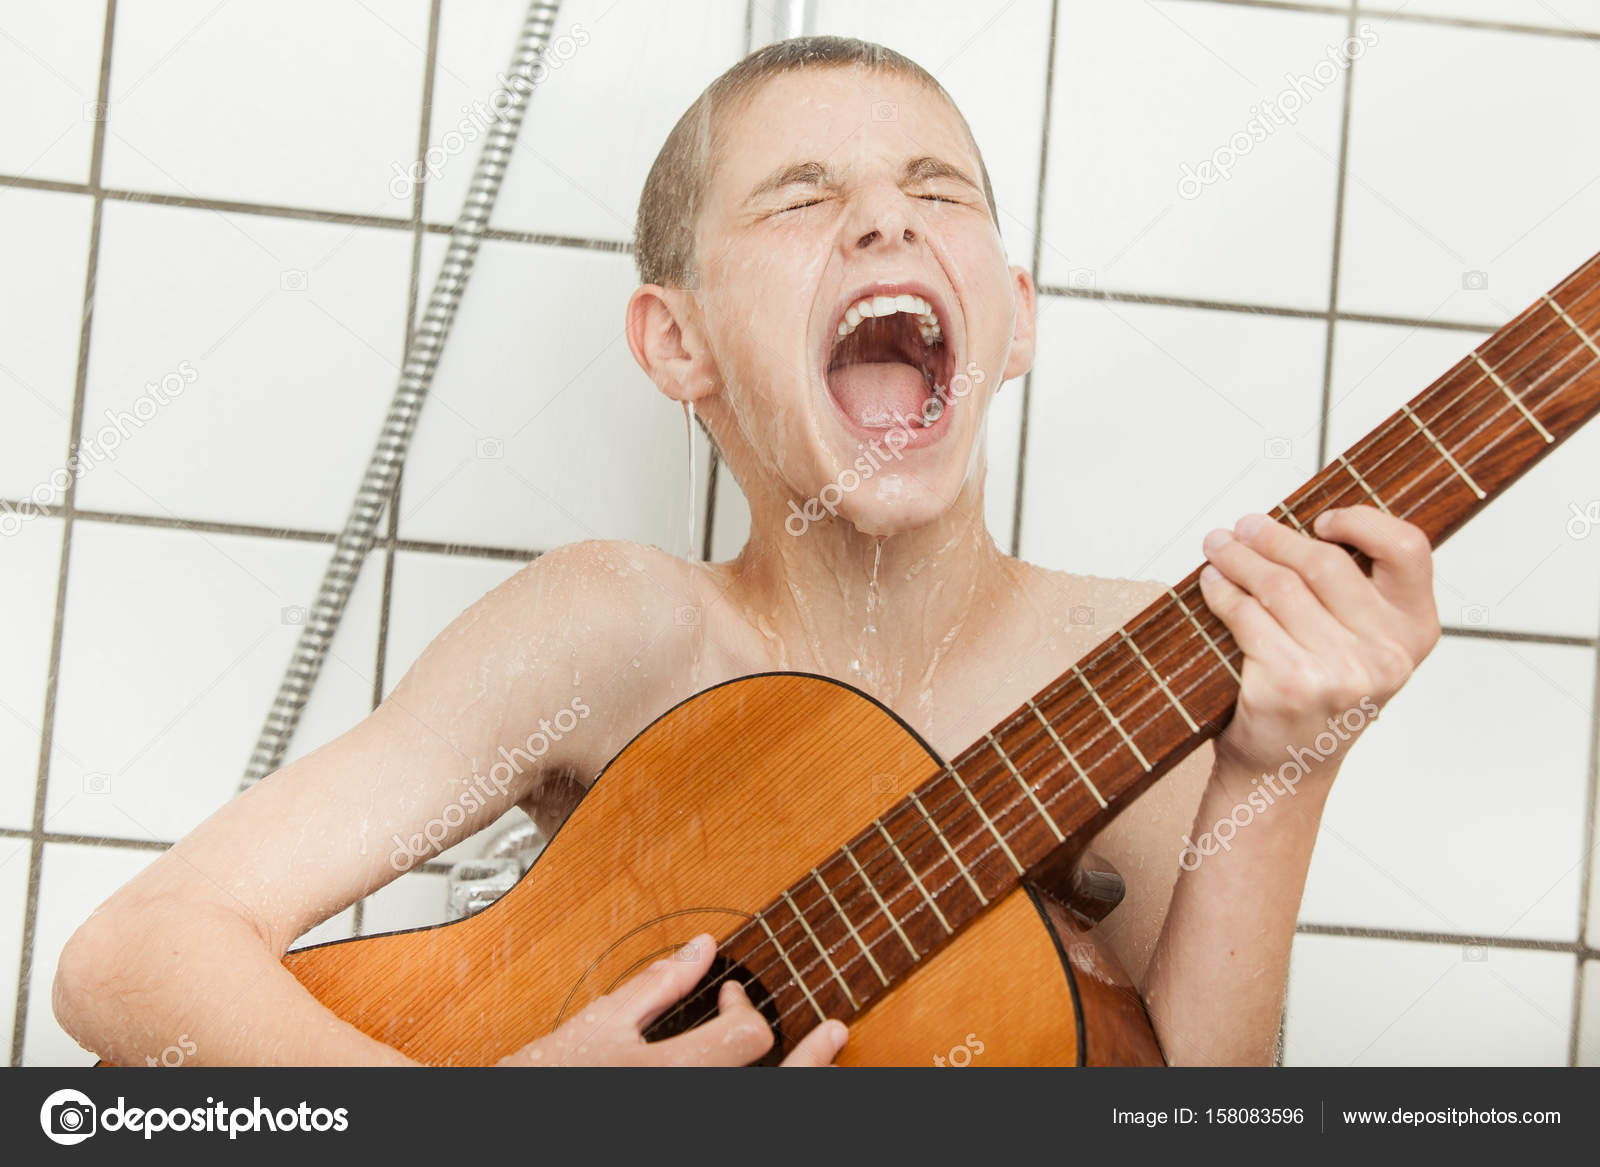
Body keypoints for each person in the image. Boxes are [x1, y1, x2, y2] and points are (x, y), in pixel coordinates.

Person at [52, 36, 1439, 1067]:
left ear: (1012, 320)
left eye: (937, 191)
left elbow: (1199, 1113)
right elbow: (133, 961)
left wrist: (1289, 762)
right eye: (797, 198)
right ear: (682, 343)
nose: (887, 218)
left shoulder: (1145, 670)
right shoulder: (618, 630)